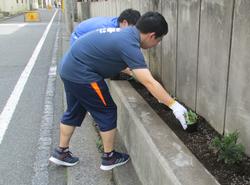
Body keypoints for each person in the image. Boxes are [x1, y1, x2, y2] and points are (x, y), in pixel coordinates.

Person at [49, 12, 188, 170]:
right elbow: (149, 81)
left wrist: (147, 84)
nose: (157, 44)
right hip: (83, 75)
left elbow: (119, 62)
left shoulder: (125, 33)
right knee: (107, 110)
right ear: (152, 36)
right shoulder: (129, 43)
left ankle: (61, 152)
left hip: (69, 69)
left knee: (74, 110)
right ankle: (109, 157)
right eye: (159, 40)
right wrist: (173, 104)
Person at [70, 8, 141, 45]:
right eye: (133, 29)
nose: (133, 33)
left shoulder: (117, 21)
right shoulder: (108, 29)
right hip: (77, 40)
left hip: (81, 35)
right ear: (125, 22)